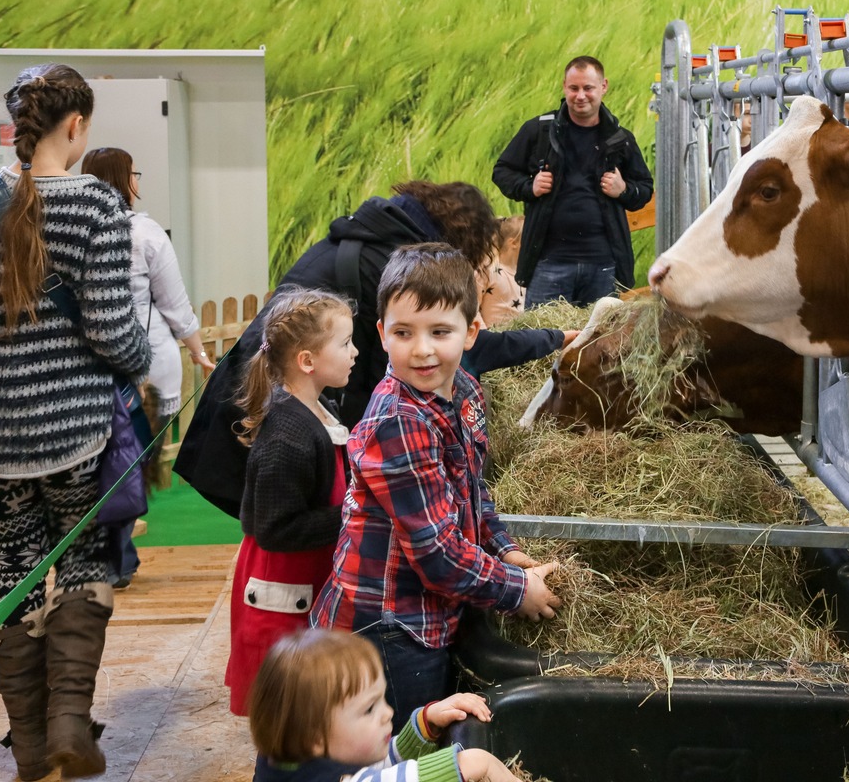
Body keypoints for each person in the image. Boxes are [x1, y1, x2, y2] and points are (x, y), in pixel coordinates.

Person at [0, 64, 150, 780]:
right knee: (84, 563)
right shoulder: (97, 206)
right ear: (75, 126)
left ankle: (30, 745)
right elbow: (113, 336)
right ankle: (72, 722)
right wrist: (139, 360)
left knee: (14, 571)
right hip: (75, 433)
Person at [175, 180, 573, 518]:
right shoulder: (394, 263)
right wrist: (551, 338)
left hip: (258, 389)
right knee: (282, 524)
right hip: (270, 408)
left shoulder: (370, 235)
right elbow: (469, 352)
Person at [310, 245, 560, 731]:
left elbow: (471, 485)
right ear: (382, 335)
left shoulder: (462, 389)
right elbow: (437, 555)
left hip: (426, 612)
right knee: (401, 741)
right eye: (404, 333)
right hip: (387, 627)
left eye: (439, 332)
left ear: (471, 332)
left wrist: (503, 548)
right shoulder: (398, 421)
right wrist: (516, 591)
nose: (422, 349)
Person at [79, 146, 216, 590]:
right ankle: (117, 551)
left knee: (99, 464)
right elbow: (174, 305)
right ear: (126, 179)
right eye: (134, 173)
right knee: (127, 462)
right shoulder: (144, 233)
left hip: (86, 371)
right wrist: (197, 351)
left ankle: (112, 551)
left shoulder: (71, 231)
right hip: (143, 370)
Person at [224, 287, 357, 716]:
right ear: (307, 360)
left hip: (305, 581)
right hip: (282, 588)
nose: (355, 352)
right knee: (288, 704)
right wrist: (354, 515)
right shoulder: (287, 435)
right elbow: (277, 528)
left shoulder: (317, 410)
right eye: (345, 343)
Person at [249, 629, 525, 782]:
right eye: (369, 709)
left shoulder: (307, 751)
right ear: (314, 737)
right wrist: (476, 763)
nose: (388, 713)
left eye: (382, 698)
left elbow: (382, 767)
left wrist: (426, 723)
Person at [492, 55, 654, 308]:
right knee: (544, 341)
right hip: (548, 263)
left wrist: (623, 190)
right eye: (574, 88)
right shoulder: (539, 131)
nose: (580, 96)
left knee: (601, 343)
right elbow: (502, 171)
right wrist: (529, 187)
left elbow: (644, 189)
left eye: (588, 88)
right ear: (564, 87)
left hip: (603, 266)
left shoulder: (621, 139)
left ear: (603, 87)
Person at [475, 216, 526, 326]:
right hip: (492, 338)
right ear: (513, 243)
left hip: (517, 337)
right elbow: (472, 307)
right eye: (530, 238)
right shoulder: (487, 270)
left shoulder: (524, 273)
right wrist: (484, 335)